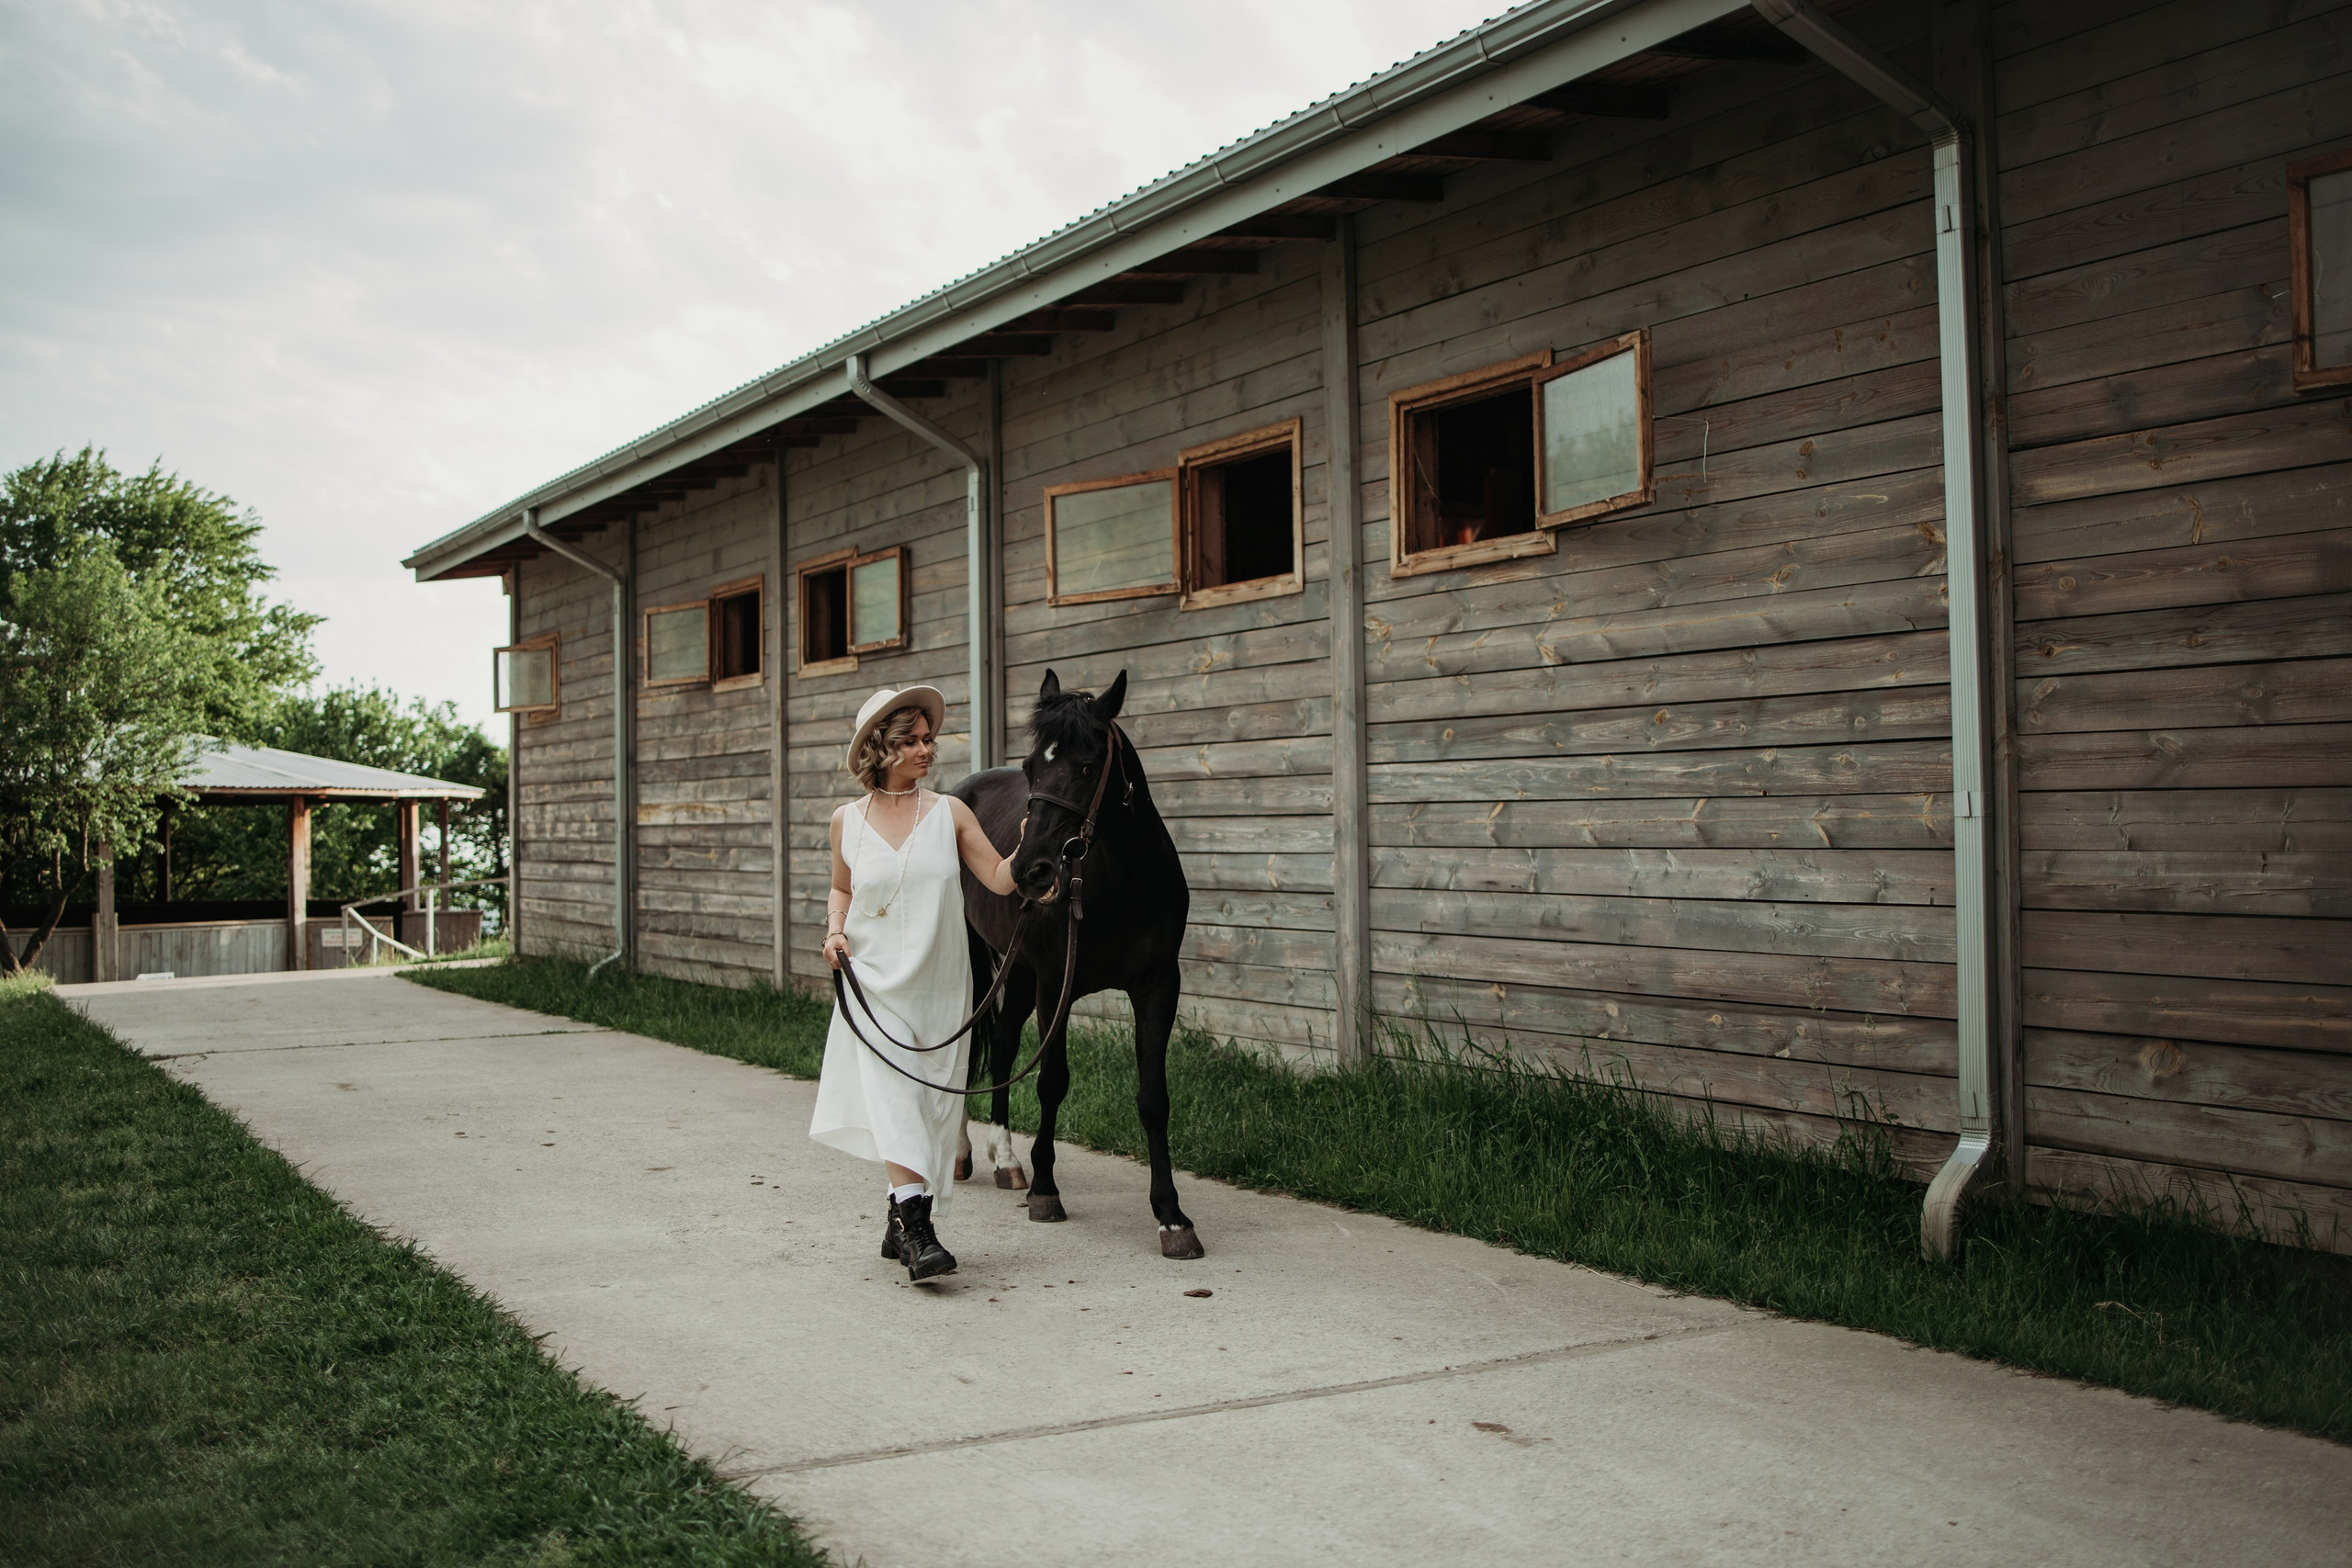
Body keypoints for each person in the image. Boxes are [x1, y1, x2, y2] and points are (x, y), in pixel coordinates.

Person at [809, 685, 1022, 1282]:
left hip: (942, 984)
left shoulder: (950, 813)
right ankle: (919, 1232)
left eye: (929, 739)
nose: (927, 749)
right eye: (912, 741)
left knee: (934, 1105)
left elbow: (999, 878)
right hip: (874, 981)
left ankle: (897, 1222)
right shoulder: (847, 822)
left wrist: (1033, 846)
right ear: (882, 749)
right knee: (897, 1095)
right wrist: (834, 932)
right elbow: (842, 888)